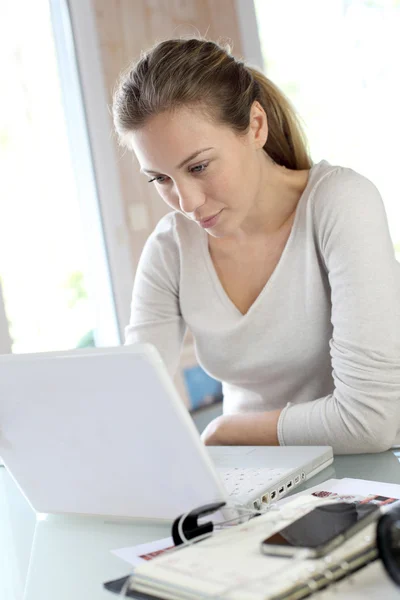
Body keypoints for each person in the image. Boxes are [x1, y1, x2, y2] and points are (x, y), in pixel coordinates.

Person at [112, 38, 400, 454]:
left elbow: (370, 420)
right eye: (160, 179)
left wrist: (228, 430)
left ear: (257, 126)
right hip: (251, 486)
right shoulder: (171, 249)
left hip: (370, 478)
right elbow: (133, 399)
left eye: (198, 167)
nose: (187, 203)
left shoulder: (341, 203)